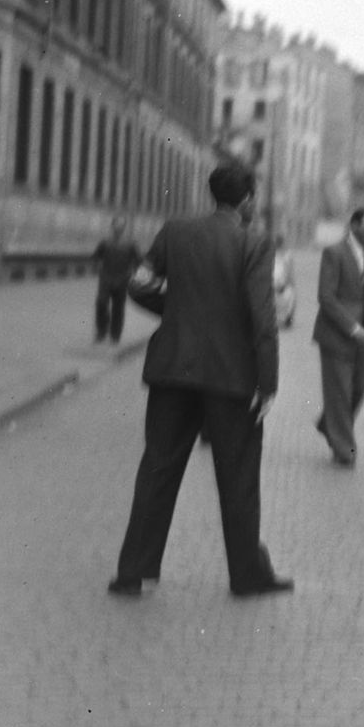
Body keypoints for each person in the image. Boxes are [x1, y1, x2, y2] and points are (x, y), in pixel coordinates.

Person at [107, 164, 292, 598]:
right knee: (238, 477)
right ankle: (246, 575)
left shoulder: (175, 232)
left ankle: (132, 571)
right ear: (247, 200)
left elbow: (138, 284)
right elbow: (263, 318)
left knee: (158, 468)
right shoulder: (254, 242)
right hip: (232, 377)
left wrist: (174, 311)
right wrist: (268, 382)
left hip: (173, 369)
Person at [313, 206, 364, 468]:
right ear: (354, 226)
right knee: (339, 392)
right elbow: (326, 297)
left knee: (360, 386)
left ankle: (329, 424)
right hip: (336, 334)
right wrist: (353, 328)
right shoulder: (334, 253)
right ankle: (344, 449)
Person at [91, 216, 144, 345]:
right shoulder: (105, 242)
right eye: (116, 225)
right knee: (101, 303)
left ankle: (115, 334)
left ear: (123, 228)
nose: (118, 228)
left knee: (118, 307)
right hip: (106, 278)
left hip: (122, 279)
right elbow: (96, 256)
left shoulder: (131, 243)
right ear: (112, 226)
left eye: (121, 225)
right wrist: (97, 267)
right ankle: (101, 331)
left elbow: (138, 260)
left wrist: (136, 275)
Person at [271, 234, 297, 330]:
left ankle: (276, 318)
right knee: (291, 296)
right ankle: (288, 318)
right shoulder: (288, 255)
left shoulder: (269, 254)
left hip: (273, 283)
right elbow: (290, 272)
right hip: (283, 283)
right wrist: (291, 283)